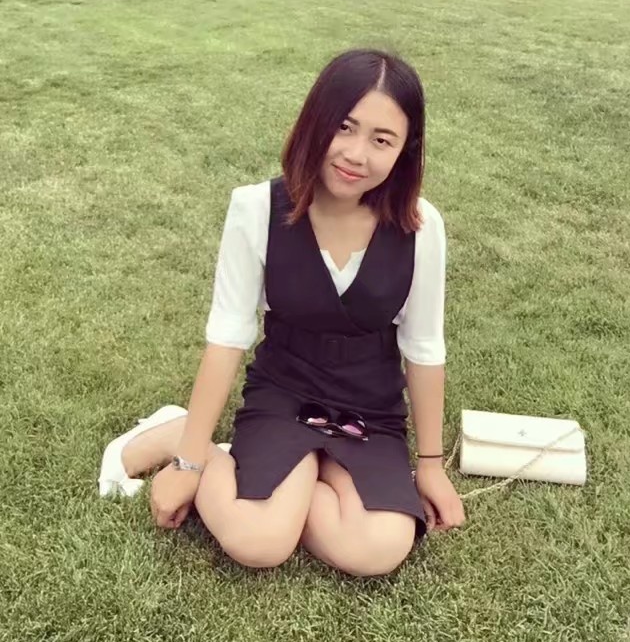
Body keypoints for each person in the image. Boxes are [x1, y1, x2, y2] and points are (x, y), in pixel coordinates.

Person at [99, 50, 465, 577]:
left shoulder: (421, 226)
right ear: (316, 119)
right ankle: (182, 434)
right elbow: (228, 336)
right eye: (344, 126)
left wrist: (429, 467)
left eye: (382, 140)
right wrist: (191, 462)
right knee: (260, 542)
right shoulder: (256, 208)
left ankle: (292, 484)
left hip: (369, 407)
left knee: (379, 548)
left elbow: (424, 348)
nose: (356, 154)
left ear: (405, 150)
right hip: (284, 392)